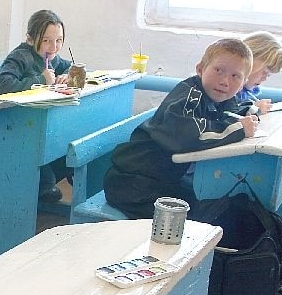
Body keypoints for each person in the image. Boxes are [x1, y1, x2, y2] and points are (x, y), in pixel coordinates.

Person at [103, 38, 259, 220]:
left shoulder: (217, 96)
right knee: (198, 220)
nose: (225, 81)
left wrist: (248, 111)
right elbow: (189, 136)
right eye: (218, 70)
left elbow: (227, 113)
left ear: (243, 83)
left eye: (235, 76)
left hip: (163, 180)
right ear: (200, 69)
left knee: (220, 209)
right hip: (133, 184)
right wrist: (239, 129)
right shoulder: (190, 95)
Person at [0, 9, 71, 224]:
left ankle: (38, 189)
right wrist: (40, 79)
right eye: (47, 40)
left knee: (63, 156)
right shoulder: (21, 56)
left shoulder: (51, 57)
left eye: (59, 40)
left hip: (26, 129)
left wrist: (67, 76)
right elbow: (3, 85)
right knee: (40, 173)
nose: (54, 47)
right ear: (30, 39)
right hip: (2, 128)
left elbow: (67, 67)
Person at [236, 31, 282, 114]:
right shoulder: (228, 89)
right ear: (250, 60)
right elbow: (224, 114)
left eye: (268, 75)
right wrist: (252, 109)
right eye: (264, 72)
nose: (264, 78)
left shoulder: (245, 93)